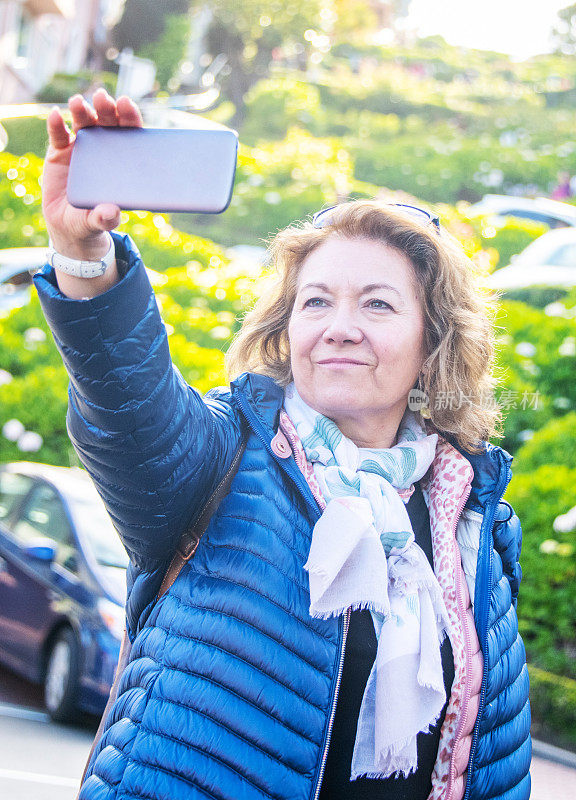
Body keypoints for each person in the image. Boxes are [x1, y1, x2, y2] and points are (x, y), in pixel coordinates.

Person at [35, 89, 531, 800]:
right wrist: (84, 252)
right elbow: (126, 398)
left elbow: (496, 769)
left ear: (433, 345)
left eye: (379, 304)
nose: (340, 326)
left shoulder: (474, 529)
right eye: (317, 300)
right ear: (288, 328)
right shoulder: (219, 457)